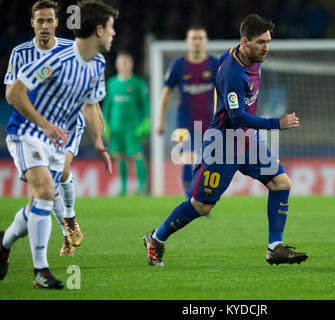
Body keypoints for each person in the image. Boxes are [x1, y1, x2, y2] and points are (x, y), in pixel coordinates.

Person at [143, 14, 308, 267]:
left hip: (246, 142)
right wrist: (277, 123)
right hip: (223, 146)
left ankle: (275, 247)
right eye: (261, 42)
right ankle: (156, 238)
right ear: (245, 42)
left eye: (268, 42)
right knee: (201, 206)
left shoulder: (243, 55)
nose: (266, 48)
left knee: (281, 182)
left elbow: (221, 60)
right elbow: (238, 117)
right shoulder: (233, 74)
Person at [0, 0, 117, 289]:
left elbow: (90, 106)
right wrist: (44, 123)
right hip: (28, 131)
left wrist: (100, 145)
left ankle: (3, 243)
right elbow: (13, 94)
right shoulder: (54, 60)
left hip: (60, 134)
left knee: (36, 206)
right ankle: (42, 271)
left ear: (56, 22)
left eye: (49, 20)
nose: (114, 34)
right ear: (99, 30)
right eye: (111, 29)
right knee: (45, 193)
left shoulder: (97, 63)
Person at [156, 26, 219, 195]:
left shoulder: (214, 64)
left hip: (210, 121)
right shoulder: (178, 65)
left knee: (207, 162)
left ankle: (202, 197)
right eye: (193, 38)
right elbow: (167, 92)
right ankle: (189, 199)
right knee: (187, 158)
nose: (197, 42)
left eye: (200, 38)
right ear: (187, 41)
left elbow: (224, 91)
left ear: (205, 41)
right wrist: (160, 119)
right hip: (184, 122)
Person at [102, 52, 150, 196]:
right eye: (121, 62)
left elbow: (145, 105)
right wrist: (104, 122)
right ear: (117, 65)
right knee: (120, 156)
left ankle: (142, 189)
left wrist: (146, 121)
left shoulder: (138, 83)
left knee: (137, 155)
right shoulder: (111, 83)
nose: (123, 65)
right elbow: (107, 105)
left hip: (132, 127)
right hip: (116, 127)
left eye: (126, 62)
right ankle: (123, 189)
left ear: (131, 64)